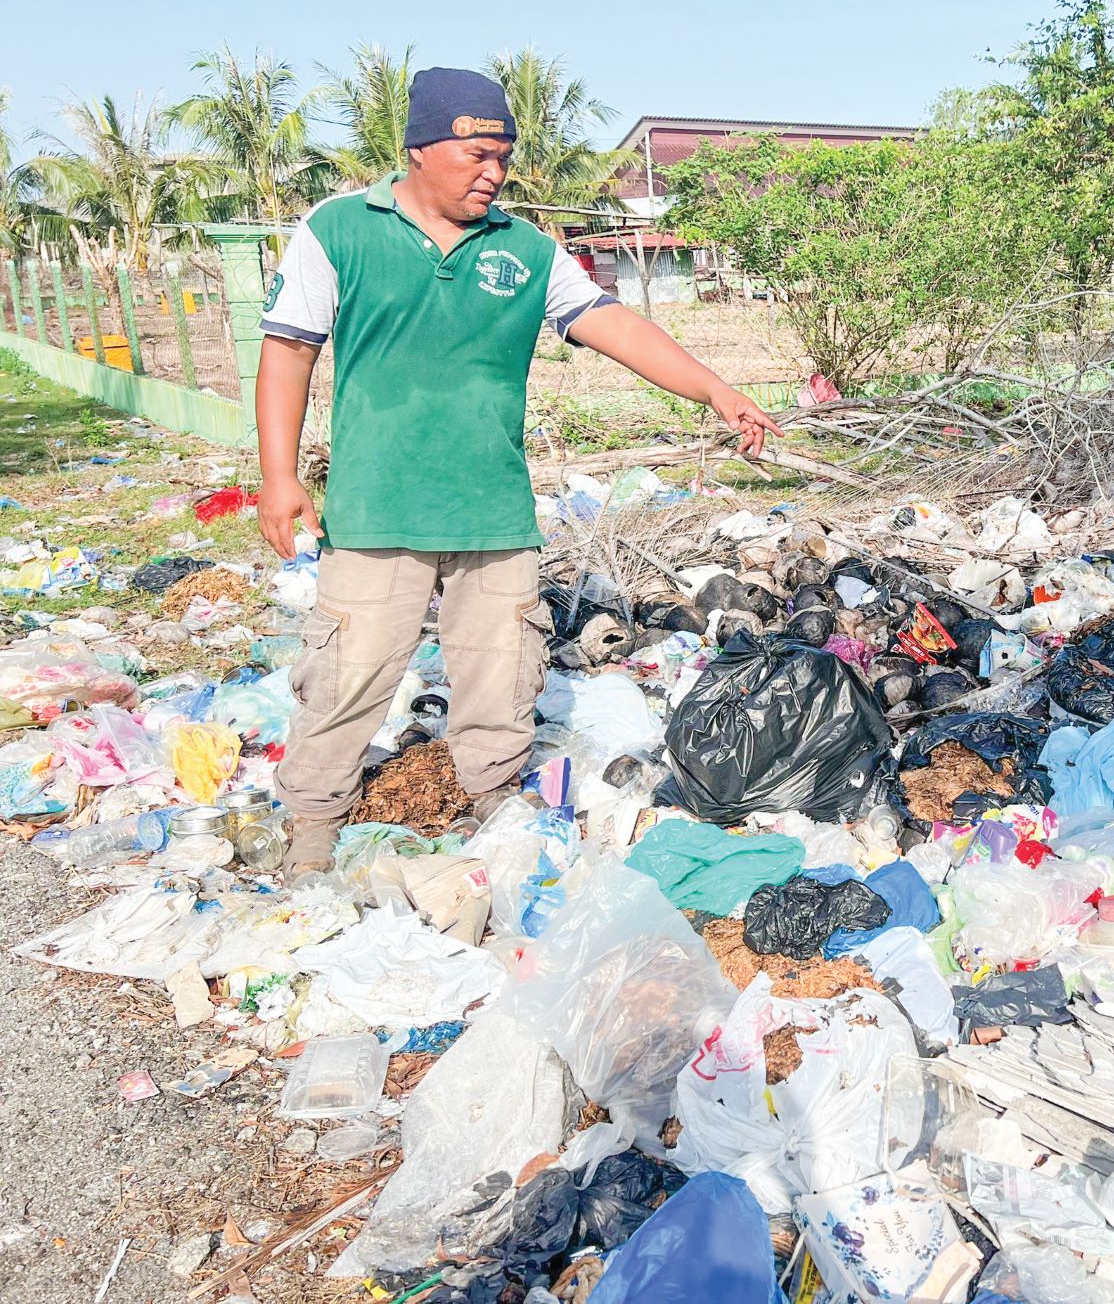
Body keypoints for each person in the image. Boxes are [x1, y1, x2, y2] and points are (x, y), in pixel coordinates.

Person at [255, 66, 781, 878]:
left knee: (501, 676)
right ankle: (314, 823)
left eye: (503, 156)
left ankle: (493, 798)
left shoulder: (528, 250)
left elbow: (613, 323)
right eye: (476, 154)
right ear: (420, 149)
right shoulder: (339, 231)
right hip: (376, 505)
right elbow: (288, 350)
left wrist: (715, 387)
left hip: (492, 509)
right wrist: (278, 476)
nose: (492, 173)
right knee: (348, 675)